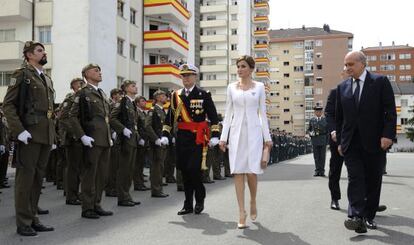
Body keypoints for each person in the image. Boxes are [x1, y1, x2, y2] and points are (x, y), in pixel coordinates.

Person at [336, 51, 396, 233]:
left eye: (351, 64)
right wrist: (340, 141)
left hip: (375, 141)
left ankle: (368, 217)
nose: (347, 68)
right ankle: (355, 216)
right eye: (345, 65)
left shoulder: (380, 82)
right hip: (351, 143)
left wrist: (388, 135)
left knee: (373, 179)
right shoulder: (342, 87)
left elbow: (390, 112)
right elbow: (340, 118)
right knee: (355, 178)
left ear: (363, 64)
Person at [3, 41, 55, 236]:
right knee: (26, 179)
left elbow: (49, 111)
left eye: (44, 50)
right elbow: (8, 105)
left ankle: (33, 217)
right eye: (40, 50)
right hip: (30, 133)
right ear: (29, 55)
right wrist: (19, 130)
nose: (44, 53)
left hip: (45, 133)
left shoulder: (46, 78)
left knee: (37, 179)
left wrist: (53, 134)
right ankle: (23, 221)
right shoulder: (22, 74)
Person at [218, 55, 272, 229]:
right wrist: (223, 137)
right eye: (238, 66)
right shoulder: (231, 87)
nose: (239, 69)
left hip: (254, 133)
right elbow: (228, 114)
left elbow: (262, 113)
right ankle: (241, 212)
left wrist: (267, 137)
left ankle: (253, 200)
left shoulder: (260, 87)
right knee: (238, 171)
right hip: (236, 134)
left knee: (251, 172)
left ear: (251, 69)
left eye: (243, 66)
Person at [162, 64, 220, 215]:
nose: (185, 78)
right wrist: (165, 134)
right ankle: (187, 204)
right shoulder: (176, 95)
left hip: (197, 138)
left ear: (195, 77)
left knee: (194, 171)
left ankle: (199, 200)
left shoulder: (203, 94)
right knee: (184, 172)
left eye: (188, 75)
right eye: (183, 75)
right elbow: (170, 116)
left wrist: (215, 136)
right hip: (182, 137)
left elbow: (213, 116)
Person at [69, 64, 113, 219]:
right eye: (96, 71)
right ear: (86, 74)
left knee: (101, 175)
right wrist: (82, 136)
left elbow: (106, 119)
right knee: (90, 175)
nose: (99, 73)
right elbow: (72, 117)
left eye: (100, 70)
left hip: (104, 139)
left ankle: (97, 204)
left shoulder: (101, 93)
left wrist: (110, 135)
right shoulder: (82, 93)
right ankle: (87, 207)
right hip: (91, 139)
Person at [109, 80, 142, 207]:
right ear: (126, 88)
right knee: (124, 169)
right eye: (133, 86)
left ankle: (126, 195)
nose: (136, 87)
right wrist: (122, 129)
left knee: (129, 169)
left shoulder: (131, 103)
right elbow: (112, 118)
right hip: (124, 140)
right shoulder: (122, 101)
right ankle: (122, 197)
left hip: (132, 139)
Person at [59, 77, 84, 206]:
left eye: (83, 83)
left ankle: (75, 192)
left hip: (81, 138)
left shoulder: (83, 98)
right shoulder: (70, 99)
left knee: (79, 168)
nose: (82, 85)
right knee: (73, 168)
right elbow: (62, 118)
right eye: (79, 84)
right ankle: (71, 196)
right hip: (72, 138)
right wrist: (76, 133)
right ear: (73, 86)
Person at [145, 90, 170, 198]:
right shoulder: (153, 110)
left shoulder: (162, 110)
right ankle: (156, 190)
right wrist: (156, 139)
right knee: (156, 167)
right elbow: (148, 126)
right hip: (156, 143)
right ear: (158, 97)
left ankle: (159, 189)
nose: (166, 98)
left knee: (160, 166)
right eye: (164, 96)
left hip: (162, 142)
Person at [106, 88, 123, 197]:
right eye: (117, 94)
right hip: (112, 136)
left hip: (119, 136)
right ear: (113, 96)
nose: (120, 96)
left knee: (118, 165)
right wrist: (112, 133)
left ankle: (115, 187)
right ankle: (110, 188)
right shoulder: (110, 106)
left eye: (121, 94)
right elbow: (108, 120)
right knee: (112, 165)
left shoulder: (120, 105)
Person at [133, 96, 150, 191]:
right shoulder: (137, 112)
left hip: (145, 140)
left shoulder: (143, 113)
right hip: (139, 141)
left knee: (141, 163)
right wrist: (139, 138)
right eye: (142, 101)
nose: (145, 102)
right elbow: (136, 126)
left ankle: (140, 182)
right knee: (138, 163)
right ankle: (138, 184)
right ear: (137, 103)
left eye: (145, 101)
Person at [307, 105, 328, 177]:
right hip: (315, 140)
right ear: (315, 112)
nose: (318, 112)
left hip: (323, 140)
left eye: (319, 111)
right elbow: (309, 130)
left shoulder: (325, 120)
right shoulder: (312, 120)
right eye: (317, 111)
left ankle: (322, 171)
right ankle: (317, 171)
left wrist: (327, 142)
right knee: (316, 156)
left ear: (321, 112)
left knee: (322, 157)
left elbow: (328, 131)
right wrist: (311, 134)